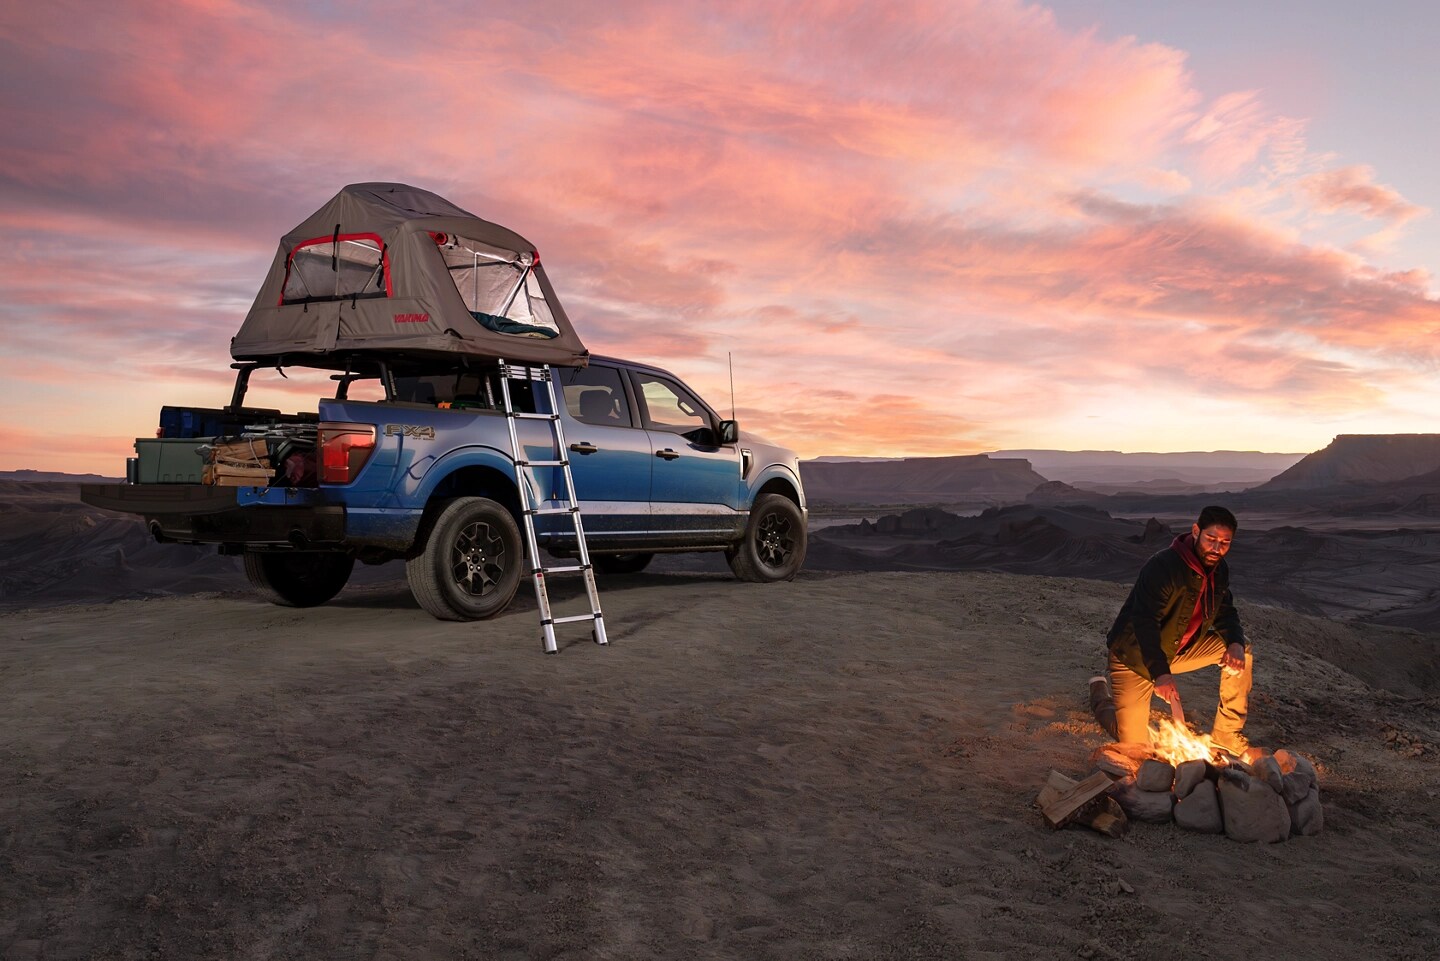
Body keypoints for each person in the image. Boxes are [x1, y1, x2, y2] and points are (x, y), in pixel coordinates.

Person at [1091, 505, 1252, 754]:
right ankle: (1099, 693)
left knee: (1240, 648)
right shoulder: (1163, 567)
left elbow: (1225, 611)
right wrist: (1161, 675)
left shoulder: (1219, 570)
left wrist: (1235, 643)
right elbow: (1145, 622)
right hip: (1136, 659)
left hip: (1175, 652)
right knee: (1133, 744)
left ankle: (1227, 734)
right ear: (1196, 531)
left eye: (1225, 542)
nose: (1217, 548)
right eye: (1211, 539)